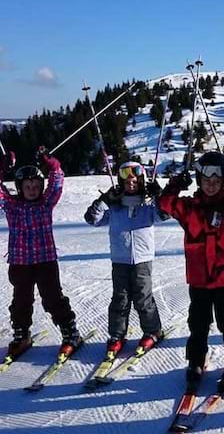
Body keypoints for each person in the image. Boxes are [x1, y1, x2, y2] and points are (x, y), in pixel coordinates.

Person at [158, 152, 224, 391]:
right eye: (206, 180)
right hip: (200, 279)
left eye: (217, 180)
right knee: (198, 322)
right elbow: (164, 203)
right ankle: (196, 361)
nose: (212, 185)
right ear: (199, 181)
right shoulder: (189, 209)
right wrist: (175, 184)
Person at [0, 147, 81, 357]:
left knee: (53, 297)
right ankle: (21, 334)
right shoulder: (12, 206)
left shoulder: (46, 203)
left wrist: (51, 163)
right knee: (21, 300)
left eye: (36, 186)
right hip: (20, 263)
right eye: (27, 187)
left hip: (45, 260)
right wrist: (2, 167)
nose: (32, 190)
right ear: (20, 188)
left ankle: (70, 332)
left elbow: (57, 182)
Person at [84, 160, 169, 357]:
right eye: (126, 181)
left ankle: (153, 330)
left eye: (134, 180)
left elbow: (165, 214)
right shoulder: (115, 208)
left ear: (142, 181)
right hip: (120, 260)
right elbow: (92, 219)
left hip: (142, 259)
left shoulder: (147, 207)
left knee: (142, 297)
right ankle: (116, 335)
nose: (130, 183)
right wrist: (105, 199)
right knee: (120, 299)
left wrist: (158, 195)